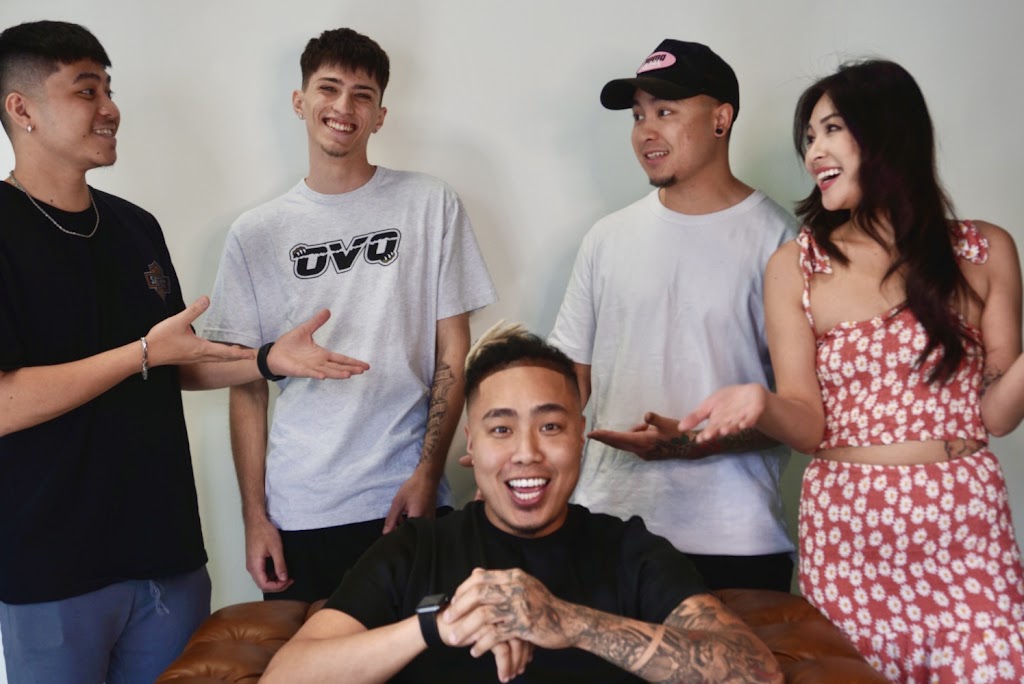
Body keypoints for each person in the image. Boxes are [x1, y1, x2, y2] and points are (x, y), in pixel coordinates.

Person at [0, 20, 369, 684]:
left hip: (168, 557)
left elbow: (175, 359)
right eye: (86, 90)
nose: (109, 108)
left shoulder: (135, 226)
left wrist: (266, 360)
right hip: (52, 569)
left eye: (109, 89)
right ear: (21, 109)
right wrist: (140, 353)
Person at [679, 59, 1024, 682]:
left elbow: (997, 415)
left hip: (964, 525)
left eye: (831, 129)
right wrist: (761, 403)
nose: (813, 152)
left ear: (889, 133)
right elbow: (809, 425)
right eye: (809, 137)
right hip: (850, 532)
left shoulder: (985, 249)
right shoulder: (797, 265)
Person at [262, 323, 783, 684]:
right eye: (501, 429)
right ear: (471, 445)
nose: (527, 452)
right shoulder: (415, 549)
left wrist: (568, 622)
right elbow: (284, 676)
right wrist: (437, 626)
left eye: (550, 426)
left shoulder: (628, 550)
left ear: (579, 435)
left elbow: (758, 673)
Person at [202, 27, 497, 603]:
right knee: (316, 650)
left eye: (362, 95)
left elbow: (453, 352)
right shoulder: (256, 233)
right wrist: (255, 517)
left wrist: (428, 473)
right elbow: (246, 385)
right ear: (299, 101)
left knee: (424, 648)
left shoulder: (429, 203)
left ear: (380, 116)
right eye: (328, 88)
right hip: (302, 508)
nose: (343, 106)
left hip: (406, 497)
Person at [547, 39, 796, 591]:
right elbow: (570, 380)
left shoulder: (781, 242)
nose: (646, 132)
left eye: (666, 112)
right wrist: (522, 441)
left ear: (721, 119)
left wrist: (691, 444)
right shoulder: (606, 238)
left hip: (736, 540)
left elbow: (803, 411)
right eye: (638, 116)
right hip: (607, 527)